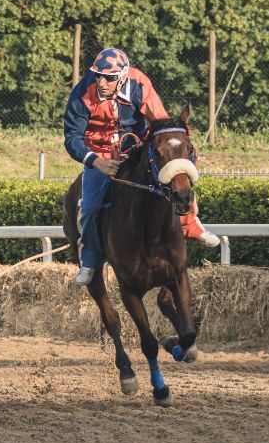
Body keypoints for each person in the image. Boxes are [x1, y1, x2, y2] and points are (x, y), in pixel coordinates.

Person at [64, 47, 220, 286]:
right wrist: (98, 162)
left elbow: (159, 124)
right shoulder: (81, 93)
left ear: (123, 77)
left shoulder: (140, 83)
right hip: (100, 156)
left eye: (109, 78)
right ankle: (90, 260)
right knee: (91, 207)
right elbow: (72, 138)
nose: (102, 82)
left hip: (135, 148)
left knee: (173, 174)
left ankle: (191, 224)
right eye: (98, 76)